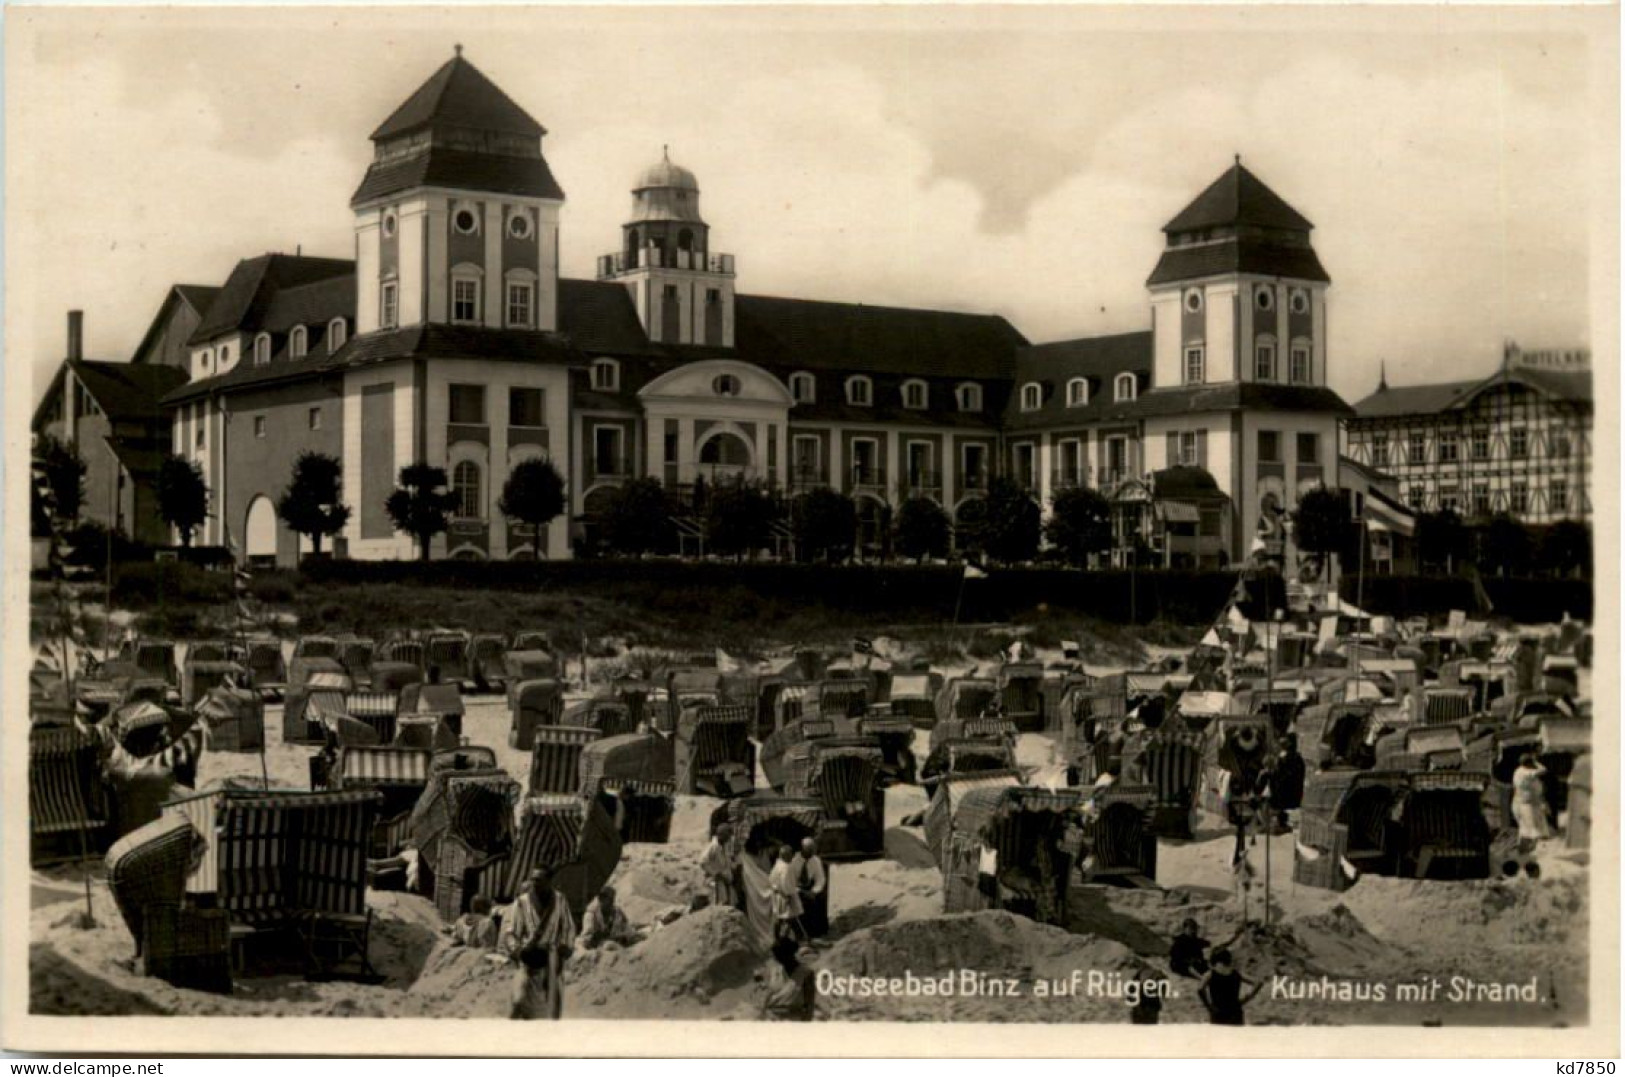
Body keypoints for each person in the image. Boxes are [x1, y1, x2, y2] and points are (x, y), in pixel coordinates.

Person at [497, 865, 577, 1020]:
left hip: (551, 958)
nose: (534, 883)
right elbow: (511, 932)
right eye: (533, 879)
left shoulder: (560, 900)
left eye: (539, 880)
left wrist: (565, 947)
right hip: (528, 958)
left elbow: (568, 927)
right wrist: (518, 951)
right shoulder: (522, 902)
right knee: (519, 999)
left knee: (552, 1005)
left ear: (549, 881)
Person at [1198, 948, 1263, 1026]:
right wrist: (1247, 998)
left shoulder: (1211, 974)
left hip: (1219, 1011)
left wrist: (1208, 1006)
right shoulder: (1236, 973)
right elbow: (1258, 983)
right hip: (1235, 1011)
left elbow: (1200, 989)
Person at [760, 937, 818, 1021]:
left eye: (781, 955)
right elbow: (767, 996)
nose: (779, 959)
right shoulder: (774, 971)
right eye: (777, 957)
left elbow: (809, 1005)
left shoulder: (806, 973)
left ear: (790, 953)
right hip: (772, 1019)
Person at [1168, 918, 1246, 979]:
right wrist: (1190, 960)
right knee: (1190, 965)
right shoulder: (1179, 940)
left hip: (1197, 964)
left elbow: (1218, 945)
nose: (1193, 931)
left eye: (1194, 928)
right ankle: (1202, 979)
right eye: (1191, 928)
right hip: (1180, 965)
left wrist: (1235, 937)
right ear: (1185, 929)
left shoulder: (1197, 941)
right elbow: (1174, 956)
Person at [579, 885, 638, 950]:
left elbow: (627, 928)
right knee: (609, 945)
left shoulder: (617, 912)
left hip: (618, 942)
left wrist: (624, 936)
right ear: (601, 899)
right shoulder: (591, 915)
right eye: (609, 900)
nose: (611, 903)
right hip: (598, 948)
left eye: (612, 900)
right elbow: (586, 938)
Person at [1511, 752, 1552, 846]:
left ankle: (1530, 845)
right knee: (1531, 828)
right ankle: (1533, 847)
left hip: (1527, 801)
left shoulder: (1519, 770)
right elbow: (1543, 770)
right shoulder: (1525, 772)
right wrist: (1536, 761)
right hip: (1526, 802)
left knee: (1529, 827)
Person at [791, 838, 828, 939]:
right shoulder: (794, 860)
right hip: (797, 889)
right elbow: (790, 881)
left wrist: (814, 891)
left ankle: (816, 932)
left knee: (816, 902)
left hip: (810, 888)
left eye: (812, 849)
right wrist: (801, 892)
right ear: (803, 849)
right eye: (809, 849)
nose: (811, 852)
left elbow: (820, 878)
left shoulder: (816, 860)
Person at [767, 844, 805, 941]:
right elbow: (785, 883)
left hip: (777, 895)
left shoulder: (777, 866)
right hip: (785, 895)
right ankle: (799, 937)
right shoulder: (785, 867)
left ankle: (777, 938)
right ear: (786, 856)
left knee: (781, 917)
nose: (792, 857)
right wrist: (788, 895)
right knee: (789, 917)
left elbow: (771, 880)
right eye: (791, 855)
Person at [703, 824, 738, 909]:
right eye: (728, 836)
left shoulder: (724, 847)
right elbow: (703, 862)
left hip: (725, 881)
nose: (729, 839)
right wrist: (716, 873)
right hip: (715, 882)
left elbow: (727, 863)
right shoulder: (713, 847)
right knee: (718, 905)